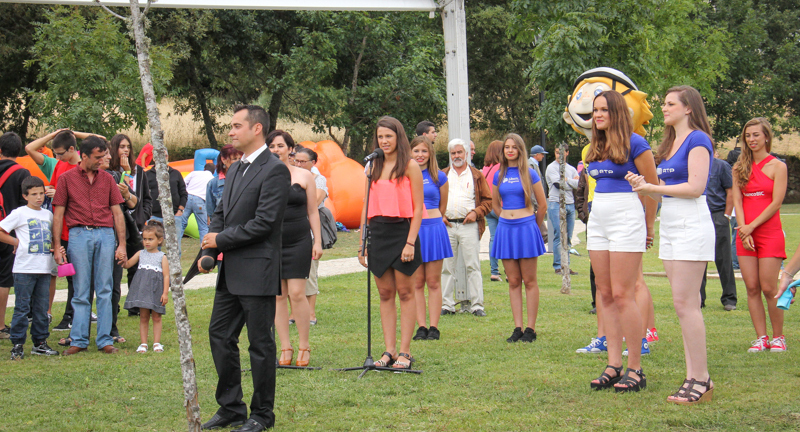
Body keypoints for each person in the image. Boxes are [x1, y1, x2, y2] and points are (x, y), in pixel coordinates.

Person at [198, 105, 289, 432]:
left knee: (260, 345)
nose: (231, 131)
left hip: (258, 270)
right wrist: (210, 249)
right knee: (220, 335)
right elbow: (220, 214)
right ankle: (231, 407)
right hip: (231, 271)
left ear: (257, 129)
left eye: (237, 125)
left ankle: (262, 414)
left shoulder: (275, 170)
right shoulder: (235, 169)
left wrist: (221, 239)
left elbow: (265, 223)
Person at [627, 85, 715, 403]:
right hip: (673, 224)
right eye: (664, 103)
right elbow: (666, 190)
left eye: (670, 103)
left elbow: (695, 187)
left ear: (689, 107)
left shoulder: (698, 140)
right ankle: (693, 376)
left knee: (686, 304)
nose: (663, 108)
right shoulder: (670, 143)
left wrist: (653, 187)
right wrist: (644, 186)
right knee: (682, 305)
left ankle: (701, 379)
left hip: (692, 223)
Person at [585, 90, 657, 394]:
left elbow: (653, 188)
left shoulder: (636, 143)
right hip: (598, 219)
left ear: (616, 112)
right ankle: (613, 365)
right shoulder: (595, 145)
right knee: (605, 293)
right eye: (595, 110)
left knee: (623, 293)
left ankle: (635, 369)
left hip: (626, 217)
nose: (597, 115)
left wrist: (649, 226)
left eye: (603, 110)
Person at [358, 116, 424, 370]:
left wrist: (410, 243)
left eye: (389, 136)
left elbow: (418, 208)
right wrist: (362, 243)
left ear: (399, 137)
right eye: (380, 136)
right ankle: (389, 350)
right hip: (378, 233)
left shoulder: (409, 166)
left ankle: (405, 352)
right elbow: (366, 206)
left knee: (405, 293)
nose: (384, 141)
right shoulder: (372, 167)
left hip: (402, 233)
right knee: (385, 294)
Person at [53, 136, 127, 356]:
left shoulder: (108, 179)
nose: (101, 160)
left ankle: (105, 339)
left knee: (105, 288)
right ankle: (78, 339)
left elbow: (117, 213)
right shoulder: (66, 179)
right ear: (83, 156)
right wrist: (56, 246)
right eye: (97, 157)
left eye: (103, 156)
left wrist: (122, 244)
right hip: (78, 234)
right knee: (81, 289)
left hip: (106, 234)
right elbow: (58, 214)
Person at [731, 117, 787, 353]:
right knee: (752, 287)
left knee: (769, 287)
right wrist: (744, 231)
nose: (752, 139)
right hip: (745, 234)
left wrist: (751, 227)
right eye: (748, 135)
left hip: (769, 233)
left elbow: (776, 203)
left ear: (766, 137)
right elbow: (737, 202)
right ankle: (761, 338)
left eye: (756, 135)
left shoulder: (778, 166)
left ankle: (778, 337)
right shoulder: (738, 167)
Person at [268, 130, 322, 368]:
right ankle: (285, 346)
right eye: (272, 146)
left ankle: (304, 345)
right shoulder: (264, 175)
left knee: (298, 293)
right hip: (272, 241)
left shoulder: (304, 175)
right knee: (278, 295)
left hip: (299, 240)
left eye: (280, 145)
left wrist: (317, 241)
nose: (276, 150)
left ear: (290, 149)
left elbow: (313, 211)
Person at [25, 129, 88, 332]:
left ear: (71, 149)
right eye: (56, 154)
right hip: (61, 228)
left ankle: (72, 315)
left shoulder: (83, 167)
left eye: (60, 153)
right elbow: (53, 187)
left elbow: (83, 197)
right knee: (67, 273)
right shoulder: (60, 164)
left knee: (76, 276)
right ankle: (69, 315)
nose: (57, 157)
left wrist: (72, 132)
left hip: (76, 228)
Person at [491, 133, 547, 343]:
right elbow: (495, 204)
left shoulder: (530, 173)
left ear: (520, 150)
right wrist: (506, 219)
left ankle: (531, 329)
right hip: (506, 230)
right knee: (513, 281)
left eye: (514, 147)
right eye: (507, 147)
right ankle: (518, 327)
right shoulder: (499, 174)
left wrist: (532, 225)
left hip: (526, 228)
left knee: (529, 281)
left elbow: (542, 205)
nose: (510, 150)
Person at [0, 176, 60, 358]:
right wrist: (16, 242)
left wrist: (56, 248)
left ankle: (40, 342)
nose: (39, 197)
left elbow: (50, 238)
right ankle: (17, 344)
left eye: (41, 193)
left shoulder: (48, 215)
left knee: (41, 308)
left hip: (44, 268)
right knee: (22, 308)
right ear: (25, 196)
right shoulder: (19, 213)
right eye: (34, 194)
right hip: (24, 269)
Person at [440, 138, 492, 316]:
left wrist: (476, 213)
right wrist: (440, 215)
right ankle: (447, 305)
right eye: (453, 153)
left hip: (469, 225)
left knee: (473, 266)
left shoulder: (476, 175)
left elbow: (488, 201)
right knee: (446, 267)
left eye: (459, 152)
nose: (456, 156)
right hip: (447, 225)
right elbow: (434, 199)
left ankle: (477, 305)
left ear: (466, 154)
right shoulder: (442, 175)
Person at [411, 136, 452, 341]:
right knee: (417, 282)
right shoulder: (405, 175)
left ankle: (434, 327)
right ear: (410, 153)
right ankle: (421, 326)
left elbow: (442, 207)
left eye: (424, 151)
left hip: (434, 230)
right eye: (416, 151)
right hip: (414, 231)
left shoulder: (439, 177)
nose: (420, 155)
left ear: (430, 153)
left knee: (434, 282)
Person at [0, 132, 32, 340]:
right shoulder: (22, 173)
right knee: (3, 280)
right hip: (8, 233)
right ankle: (0, 326)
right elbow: (25, 207)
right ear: (19, 151)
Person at [292, 147, 328, 325]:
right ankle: (294, 313)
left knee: (310, 273)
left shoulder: (318, 180)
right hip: (292, 232)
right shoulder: (290, 176)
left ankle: (311, 313)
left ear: (312, 163)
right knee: (291, 276)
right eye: (296, 160)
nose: (298, 164)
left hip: (309, 233)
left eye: (302, 161)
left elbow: (313, 203)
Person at [699, 149, 737, 311]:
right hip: (698, 215)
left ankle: (729, 298)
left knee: (723, 258)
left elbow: (730, 191)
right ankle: (699, 298)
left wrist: (726, 215)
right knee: (698, 258)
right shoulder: (694, 165)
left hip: (717, 214)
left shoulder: (721, 166)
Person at [123, 221, 169, 354]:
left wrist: (165, 293)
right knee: (143, 317)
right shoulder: (140, 254)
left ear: (159, 240)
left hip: (156, 291)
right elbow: (127, 265)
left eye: (150, 239)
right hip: (142, 290)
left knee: (156, 317)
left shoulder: (162, 257)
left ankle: (156, 343)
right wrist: (122, 258)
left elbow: (166, 276)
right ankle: (143, 343)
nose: (147, 242)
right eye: (144, 239)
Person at [545, 146, 579, 275]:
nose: (559, 155)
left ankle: (566, 265)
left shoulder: (571, 169)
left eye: (561, 153)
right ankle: (558, 266)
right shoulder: (551, 168)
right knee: (559, 235)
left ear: (567, 153)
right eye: (556, 153)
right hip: (556, 204)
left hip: (570, 204)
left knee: (568, 237)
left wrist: (567, 180)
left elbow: (579, 185)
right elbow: (558, 184)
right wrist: (571, 183)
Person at [145, 157, 187, 249]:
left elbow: (183, 193)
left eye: (165, 155)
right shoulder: (147, 175)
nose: (163, 158)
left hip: (174, 215)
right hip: (154, 217)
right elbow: (143, 195)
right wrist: (148, 214)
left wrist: (180, 210)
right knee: (153, 248)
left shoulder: (176, 173)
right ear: (154, 158)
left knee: (175, 248)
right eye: (160, 155)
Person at [482, 140, 503, 282]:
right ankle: (509, 270)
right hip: (499, 206)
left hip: (488, 207)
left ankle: (494, 271)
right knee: (506, 237)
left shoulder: (485, 168)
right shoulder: (501, 168)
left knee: (493, 238)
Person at [206, 144, 243, 224]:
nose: (238, 162)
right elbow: (211, 211)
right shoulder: (213, 184)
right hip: (223, 226)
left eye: (239, 159)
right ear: (224, 160)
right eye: (234, 159)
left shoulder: (245, 178)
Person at [179, 162, 215, 241]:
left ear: (204, 169)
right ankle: (204, 247)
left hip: (187, 198)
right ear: (213, 172)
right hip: (201, 201)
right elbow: (211, 197)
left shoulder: (194, 173)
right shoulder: (212, 179)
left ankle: (175, 245)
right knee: (203, 227)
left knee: (181, 224)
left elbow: (183, 183)